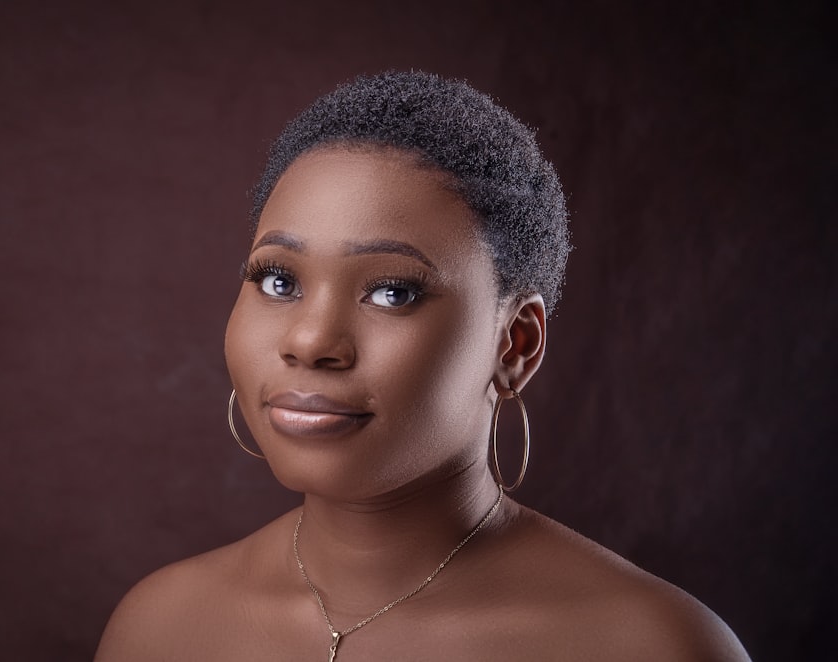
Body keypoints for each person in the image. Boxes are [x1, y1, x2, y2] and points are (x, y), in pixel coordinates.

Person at [95, 71, 749, 661]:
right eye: (278, 280)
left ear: (514, 345)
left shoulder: (655, 647)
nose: (310, 339)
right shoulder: (160, 629)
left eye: (393, 292)